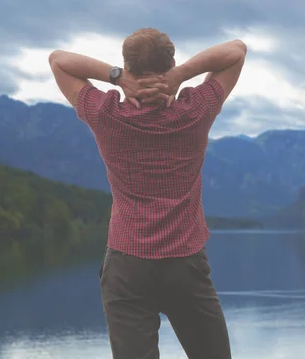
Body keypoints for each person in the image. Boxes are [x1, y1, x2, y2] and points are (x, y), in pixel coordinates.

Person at [48, 28, 247, 359]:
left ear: (128, 66)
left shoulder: (106, 114)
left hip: (127, 266)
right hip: (185, 263)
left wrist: (116, 78)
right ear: (170, 63)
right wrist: (181, 75)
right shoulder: (195, 111)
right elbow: (237, 50)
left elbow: (58, 60)